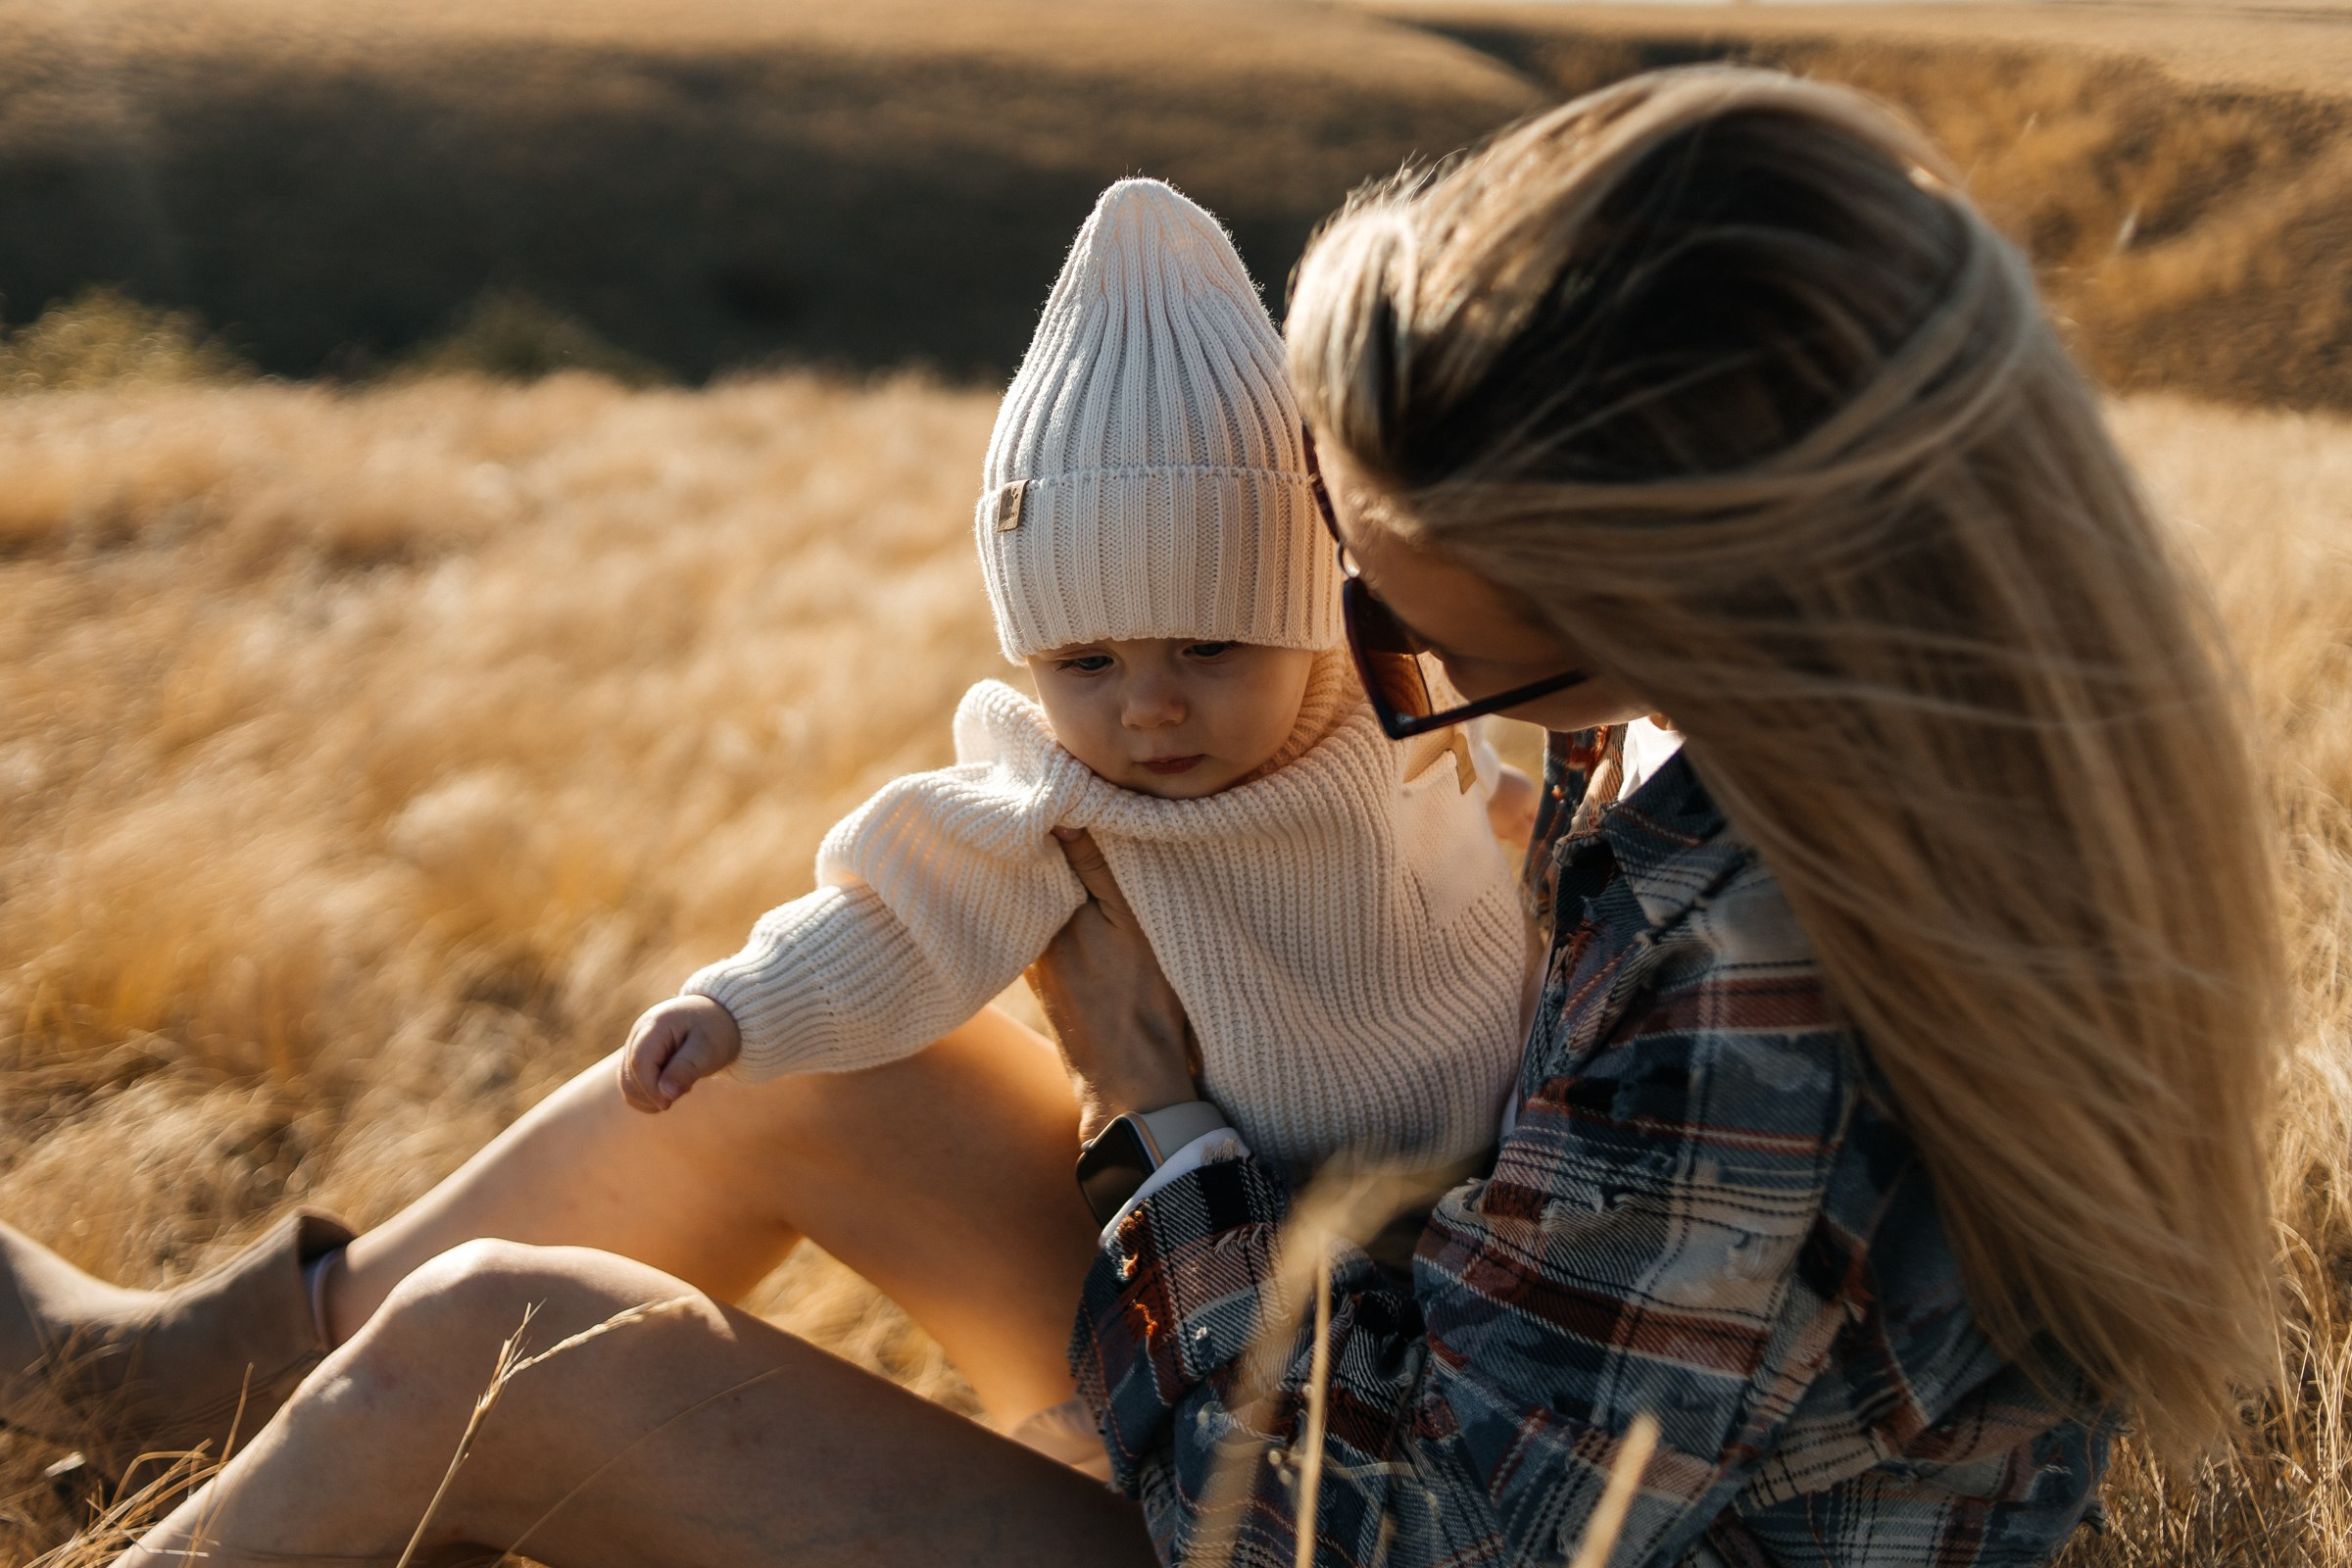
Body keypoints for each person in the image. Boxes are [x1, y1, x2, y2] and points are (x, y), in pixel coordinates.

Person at [0, 65, 2278, 1567]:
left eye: (1434, 652)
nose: (1388, 701)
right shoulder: (1881, 744)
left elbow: (1430, 1542)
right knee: (833, 1047)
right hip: (1426, 1377)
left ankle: (251, 1422)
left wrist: (1147, 1110)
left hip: (1380, 1521)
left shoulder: (1754, 939)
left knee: (490, 1351)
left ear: (1681, 581)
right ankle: (149, 1383)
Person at [628, 176, 1536, 1197]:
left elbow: (1461, 769)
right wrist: (734, 1007)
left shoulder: (1372, 688)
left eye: (1209, 647)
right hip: (1279, 1221)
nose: (1148, 707)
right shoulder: (1060, 805)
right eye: (1086, 664)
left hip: (1524, 1144)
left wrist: (1529, 813)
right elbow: (896, 918)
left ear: (1306, 614)